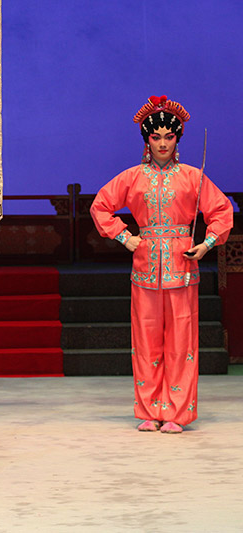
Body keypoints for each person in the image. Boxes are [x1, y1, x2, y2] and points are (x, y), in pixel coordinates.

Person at [90, 95, 233, 434]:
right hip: (145, 266)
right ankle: (149, 409)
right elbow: (100, 206)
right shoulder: (132, 177)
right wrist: (125, 237)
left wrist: (206, 244)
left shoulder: (193, 176)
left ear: (178, 138)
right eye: (156, 137)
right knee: (146, 341)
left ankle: (176, 412)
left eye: (169, 136)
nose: (163, 143)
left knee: (182, 343)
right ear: (147, 140)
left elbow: (222, 211)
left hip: (182, 267)